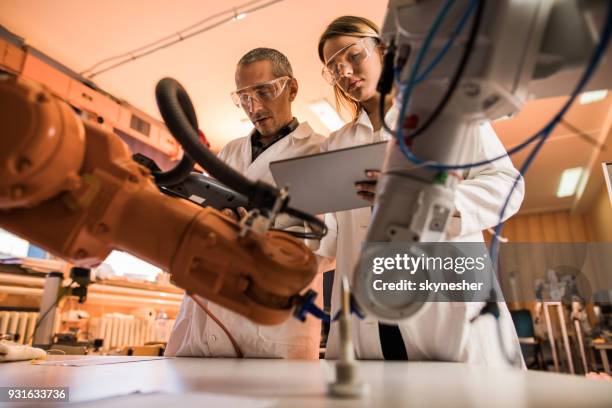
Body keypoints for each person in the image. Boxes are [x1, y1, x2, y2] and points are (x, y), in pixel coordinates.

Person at [314, 16, 526, 366]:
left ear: (383, 49)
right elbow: (333, 238)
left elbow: (507, 186)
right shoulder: (336, 145)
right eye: (333, 68)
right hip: (372, 321)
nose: (345, 71)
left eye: (353, 56)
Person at [166, 48, 325, 359]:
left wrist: (260, 235)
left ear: (291, 88)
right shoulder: (229, 152)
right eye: (244, 96)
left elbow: (327, 242)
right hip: (204, 315)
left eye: (264, 92)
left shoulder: (319, 151)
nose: (254, 106)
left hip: (270, 325)